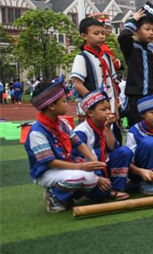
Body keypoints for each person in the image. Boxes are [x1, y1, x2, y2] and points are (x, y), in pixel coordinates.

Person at [25, 78, 110, 212]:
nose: (68, 103)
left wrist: (95, 163)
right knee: (80, 177)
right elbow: (50, 163)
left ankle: (68, 195)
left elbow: (79, 144)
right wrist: (81, 166)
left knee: (92, 179)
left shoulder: (62, 124)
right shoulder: (37, 132)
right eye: (64, 101)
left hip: (64, 167)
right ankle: (54, 196)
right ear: (51, 106)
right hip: (45, 172)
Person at [72, 91, 133, 200]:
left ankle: (116, 187)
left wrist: (108, 127)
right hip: (89, 170)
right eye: (103, 109)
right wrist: (97, 178)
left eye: (109, 108)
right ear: (90, 112)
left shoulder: (107, 125)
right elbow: (79, 160)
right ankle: (92, 191)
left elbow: (113, 148)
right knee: (100, 195)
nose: (109, 112)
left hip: (104, 164)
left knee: (124, 151)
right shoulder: (81, 132)